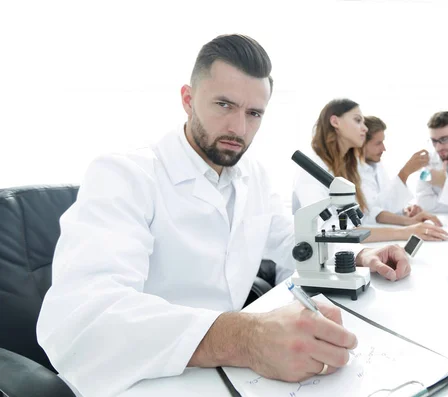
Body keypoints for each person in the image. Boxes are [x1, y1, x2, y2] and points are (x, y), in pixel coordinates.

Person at [36, 35, 412, 397]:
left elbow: (290, 244)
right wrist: (247, 338)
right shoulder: (124, 174)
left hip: (227, 373)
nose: (239, 128)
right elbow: (79, 319)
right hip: (141, 377)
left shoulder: (255, 177)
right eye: (224, 105)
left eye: (253, 113)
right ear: (187, 98)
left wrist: (360, 256)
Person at [293, 99, 448, 242]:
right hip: (316, 259)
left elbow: (366, 213)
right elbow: (330, 231)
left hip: (345, 251)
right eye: (357, 120)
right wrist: (406, 231)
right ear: (335, 121)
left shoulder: (346, 168)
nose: (365, 128)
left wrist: (408, 221)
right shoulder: (313, 170)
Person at [359, 115, 442, 227]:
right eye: (378, 143)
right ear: (360, 144)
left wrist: (405, 211)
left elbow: (386, 202)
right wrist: (405, 173)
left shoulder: (376, 164)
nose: (384, 148)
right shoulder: (350, 172)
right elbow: (371, 212)